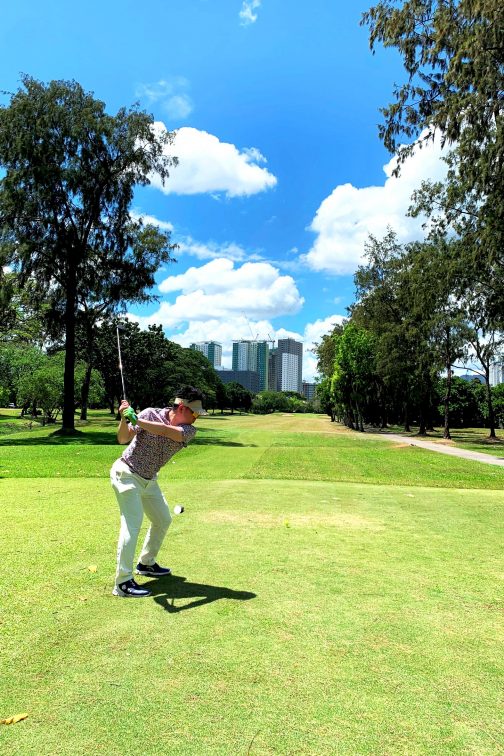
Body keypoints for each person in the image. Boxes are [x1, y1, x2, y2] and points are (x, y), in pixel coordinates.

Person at [110, 386, 207, 598]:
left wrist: (136, 419)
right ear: (182, 408)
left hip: (149, 479)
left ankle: (146, 563)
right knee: (131, 526)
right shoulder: (148, 413)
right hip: (126, 473)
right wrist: (125, 419)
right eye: (196, 413)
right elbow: (122, 439)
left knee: (163, 519)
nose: (197, 418)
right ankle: (123, 582)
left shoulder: (189, 431)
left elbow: (163, 431)